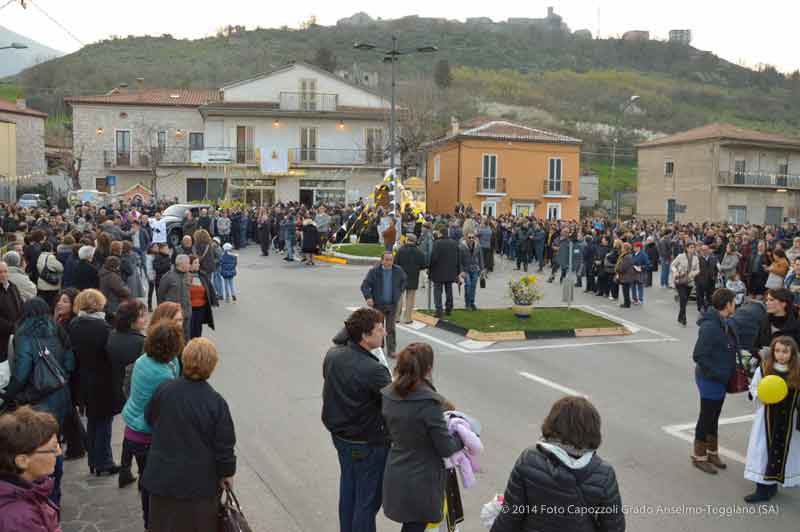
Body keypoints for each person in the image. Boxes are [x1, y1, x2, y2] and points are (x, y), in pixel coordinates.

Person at [490, 396, 625, 532]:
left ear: (553, 423)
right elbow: (614, 527)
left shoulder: (529, 460)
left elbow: (509, 517)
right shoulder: (604, 474)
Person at [143, 338, 236, 532]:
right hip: (199, 488)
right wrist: (227, 474)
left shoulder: (164, 390)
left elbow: (149, 418)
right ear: (212, 366)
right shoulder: (216, 403)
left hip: (162, 480)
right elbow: (224, 446)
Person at [322, 308, 391, 532]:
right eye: (380, 330)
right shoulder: (374, 370)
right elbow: (393, 403)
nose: (385, 334)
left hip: (341, 437)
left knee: (349, 492)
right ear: (364, 335)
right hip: (368, 443)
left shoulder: (333, 355)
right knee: (367, 501)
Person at [381, 343, 463, 532]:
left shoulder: (388, 394)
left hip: (397, 471)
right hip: (421, 481)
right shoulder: (429, 402)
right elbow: (446, 448)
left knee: (410, 526)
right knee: (415, 526)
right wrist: (462, 438)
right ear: (428, 369)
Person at [1, 297, 75, 505]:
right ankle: (55, 496)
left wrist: (9, 394)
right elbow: (70, 362)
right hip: (61, 395)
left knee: (37, 446)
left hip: (37, 399)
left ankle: (43, 496)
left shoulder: (24, 336)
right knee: (54, 444)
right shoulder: (58, 329)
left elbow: (22, 372)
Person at [121, 320, 183, 529]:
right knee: (153, 486)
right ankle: (152, 522)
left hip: (133, 430)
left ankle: (149, 520)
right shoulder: (163, 375)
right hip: (147, 436)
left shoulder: (142, 361)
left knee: (145, 479)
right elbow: (163, 413)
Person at [68, 289, 120, 477]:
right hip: (103, 379)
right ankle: (104, 461)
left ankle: (94, 460)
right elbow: (110, 354)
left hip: (84, 378)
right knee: (104, 422)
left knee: (92, 420)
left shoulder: (74, 324)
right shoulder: (103, 327)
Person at [743, 336, 800, 503]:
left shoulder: (797, 371)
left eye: (785, 351)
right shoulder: (765, 368)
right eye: (777, 351)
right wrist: (761, 395)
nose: (781, 355)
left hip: (789, 419)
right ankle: (761, 488)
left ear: (792, 353)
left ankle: (773, 485)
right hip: (766, 419)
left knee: (785, 451)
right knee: (762, 451)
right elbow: (754, 387)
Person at [691, 288, 738, 474]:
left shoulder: (723, 322)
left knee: (714, 416)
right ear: (727, 305)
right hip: (710, 379)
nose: (736, 304)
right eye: (734, 302)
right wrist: (718, 373)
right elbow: (699, 355)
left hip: (719, 379)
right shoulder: (710, 326)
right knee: (706, 417)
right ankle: (699, 456)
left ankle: (712, 451)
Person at [0, 406, 62, 532]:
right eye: (53, 448)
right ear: (22, 461)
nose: (59, 452)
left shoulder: (27, 488)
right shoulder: (20, 520)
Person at [107, 299, 147, 488]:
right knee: (137, 431)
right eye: (141, 316)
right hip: (133, 389)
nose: (144, 319)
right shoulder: (140, 341)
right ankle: (137, 473)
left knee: (129, 429)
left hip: (116, 386)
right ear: (132, 320)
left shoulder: (113, 336)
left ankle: (124, 468)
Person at [361, 251, 407, 358]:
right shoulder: (374, 271)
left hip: (392, 304)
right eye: (386, 260)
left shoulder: (398, 271)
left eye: (391, 260)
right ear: (382, 260)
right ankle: (379, 348)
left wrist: (399, 292)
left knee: (391, 328)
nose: (389, 262)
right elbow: (364, 285)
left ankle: (391, 350)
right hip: (378, 305)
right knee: (378, 328)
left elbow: (404, 281)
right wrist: (368, 297)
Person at [157, 254, 192, 341]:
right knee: (173, 338)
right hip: (172, 315)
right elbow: (160, 295)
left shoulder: (189, 276)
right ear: (181, 264)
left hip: (186, 313)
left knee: (186, 338)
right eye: (188, 263)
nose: (189, 265)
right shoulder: (168, 277)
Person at [394, 234, 426, 324]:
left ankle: (396, 317)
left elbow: (395, 264)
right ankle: (407, 318)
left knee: (399, 298)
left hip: (400, 277)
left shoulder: (400, 251)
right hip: (413, 277)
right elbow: (423, 266)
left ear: (407, 240)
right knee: (410, 299)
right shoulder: (419, 252)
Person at [429, 230, 461, 318]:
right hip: (450, 271)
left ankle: (439, 310)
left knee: (438, 291)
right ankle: (449, 308)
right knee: (449, 290)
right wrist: (457, 271)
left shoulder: (437, 243)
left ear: (441, 233)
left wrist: (430, 269)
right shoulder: (454, 243)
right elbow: (458, 258)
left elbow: (433, 258)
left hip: (438, 271)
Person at [671, 241, 700, 326]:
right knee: (683, 297)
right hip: (680, 280)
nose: (692, 249)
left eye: (693, 247)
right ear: (686, 248)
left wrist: (692, 274)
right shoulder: (680, 256)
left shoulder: (696, 258)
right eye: (691, 247)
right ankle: (684, 317)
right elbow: (672, 265)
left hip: (690, 281)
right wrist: (676, 272)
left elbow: (698, 269)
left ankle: (680, 315)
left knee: (685, 300)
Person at [188, 254, 217, 339]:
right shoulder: (184, 277)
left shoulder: (202, 275)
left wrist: (213, 301)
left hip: (201, 308)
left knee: (198, 332)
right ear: (189, 265)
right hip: (189, 309)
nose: (199, 264)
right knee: (189, 332)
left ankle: (196, 348)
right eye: (196, 263)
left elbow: (209, 288)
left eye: (198, 263)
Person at [0, 260, 23, 362]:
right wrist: (13, 327)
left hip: (16, 333)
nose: (3, 275)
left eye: (5, 271)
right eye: (0, 272)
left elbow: (21, 305)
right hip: (2, 337)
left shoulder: (12, 287)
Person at [98, 256, 130, 323]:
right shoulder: (112, 276)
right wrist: (127, 290)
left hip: (106, 301)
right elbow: (120, 290)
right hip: (113, 303)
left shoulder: (103, 273)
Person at [460, 233, 484, 311]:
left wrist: (482, 269)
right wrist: (461, 271)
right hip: (465, 270)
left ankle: (472, 302)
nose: (471, 239)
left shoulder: (478, 246)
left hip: (475, 269)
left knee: (473, 286)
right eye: (469, 237)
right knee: (468, 285)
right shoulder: (461, 246)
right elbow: (459, 260)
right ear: (466, 238)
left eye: (472, 237)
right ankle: (467, 304)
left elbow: (481, 258)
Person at [36, 245, 63, 309]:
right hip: (50, 285)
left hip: (41, 283)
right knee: (51, 304)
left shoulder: (40, 256)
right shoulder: (50, 257)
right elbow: (60, 268)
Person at [616, 242, 635, 309]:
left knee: (625, 290)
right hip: (626, 276)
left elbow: (623, 267)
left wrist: (618, 269)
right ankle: (626, 303)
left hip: (626, 276)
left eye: (623, 247)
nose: (621, 249)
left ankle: (627, 303)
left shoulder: (627, 256)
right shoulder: (626, 255)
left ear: (625, 248)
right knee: (625, 290)